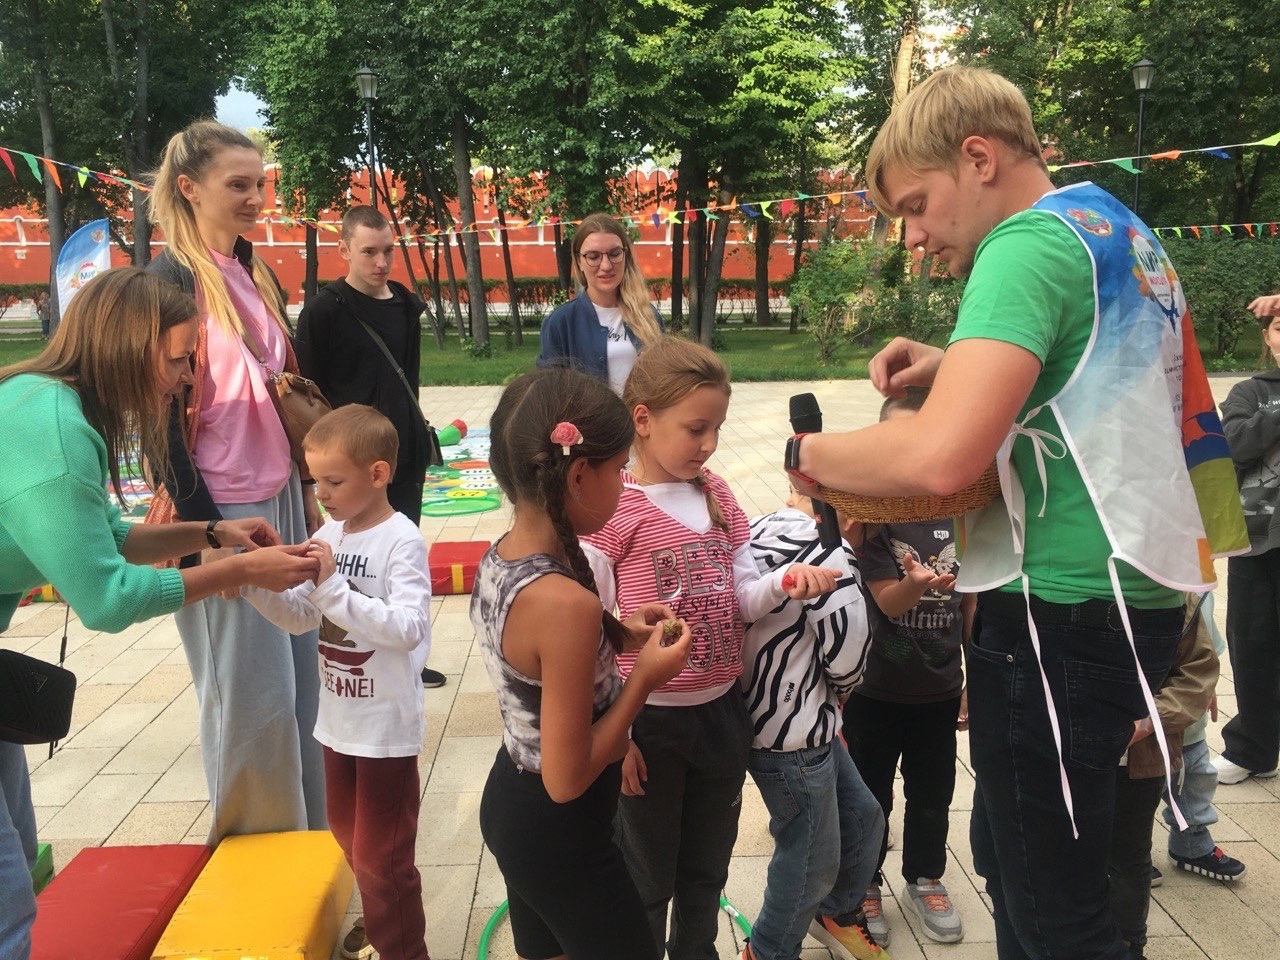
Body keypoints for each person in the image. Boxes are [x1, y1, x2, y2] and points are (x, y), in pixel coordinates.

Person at [787, 66, 1247, 960]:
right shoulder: (1111, 224)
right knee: (1064, 871)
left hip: (1057, 618)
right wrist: (955, 360)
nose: (915, 238)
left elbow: (939, 455)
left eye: (917, 205)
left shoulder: (1023, 247)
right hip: (1133, 598)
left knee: (1052, 914)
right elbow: (1074, 380)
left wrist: (810, 457)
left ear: (978, 157)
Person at [0, 267, 319, 960]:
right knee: (7, 906)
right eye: (178, 359)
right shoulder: (54, 428)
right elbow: (106, 599)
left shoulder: (50, 405)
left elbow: (106, 535)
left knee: (19, 857)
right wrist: (237, 569)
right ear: (127, 345)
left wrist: (210, 535)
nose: (185, 380)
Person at [583, 338, 841, 960]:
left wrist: (782, 585)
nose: (709, 445)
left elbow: (740, 596)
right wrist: (612, 733)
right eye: (695, 428)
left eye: (717, 429)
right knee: (648, 874)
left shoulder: (718, 495)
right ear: (642, 420)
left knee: (706, 868)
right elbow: (586, 629)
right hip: (648, 722)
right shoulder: (616, 507)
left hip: (723, 714)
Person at [144, 119, 327, 843]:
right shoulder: (165, 283)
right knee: (252, 703)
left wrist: (309, 492)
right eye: (239, 185)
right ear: (189, 189)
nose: (257, 197)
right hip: (219, 507)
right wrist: (208, 532)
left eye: (261, 183)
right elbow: (157, 415)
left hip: (280, 495)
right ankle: (256, 868)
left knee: (302, 697)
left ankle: (311, 867)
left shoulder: (253, 270)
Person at [472, 367, 692, 960]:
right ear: (576, 476)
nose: (625, 486)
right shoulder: (565, 602)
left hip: (516, 807)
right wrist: (643, 678)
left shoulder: (504, 557)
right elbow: (566, 781)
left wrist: (620, 633)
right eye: (620, 471)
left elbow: (536, 661)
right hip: (559, 834)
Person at [243, 405, 432, 960]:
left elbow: (409, 627)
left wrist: (332, 590)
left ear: (378, 474)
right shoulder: (330, 533)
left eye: (333, 481)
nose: (320, 493)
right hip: (338, 724)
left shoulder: (402, 540)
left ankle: (404, 949)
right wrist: (252, 582)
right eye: (315, 479)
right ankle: (381, 923)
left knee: (383, 857)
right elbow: (303, 616)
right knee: (349, 841)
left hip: (385, 730)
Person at [295, 204, 447, 690]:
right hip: (349, 462)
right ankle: (353, 649)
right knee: (355, 557)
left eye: (387, 251)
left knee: (400, 554)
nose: (380, 262)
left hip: (399, 454)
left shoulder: (404, 303)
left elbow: (410, 380)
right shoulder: (324, 311)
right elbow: (307, 394)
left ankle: (409, 658)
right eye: (368, 252)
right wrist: (313, 473)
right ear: (344, 250)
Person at [843, 388, 973, 948]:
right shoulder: (874, 521)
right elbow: (888, 602)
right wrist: (915, 584)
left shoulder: (963, 513)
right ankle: (864, 881)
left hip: (940, 688)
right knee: (871, 793)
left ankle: (925, 876)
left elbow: (971, 605)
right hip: (877, 685)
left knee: (933, 790)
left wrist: (969, 680)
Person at [739, 486, 887, 960]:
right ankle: (767, 951)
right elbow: (846, 658)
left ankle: (836, 914)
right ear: (852, 520)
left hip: (774, 719)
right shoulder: (832, 552)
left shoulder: (757, 527)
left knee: (864, 818)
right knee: (809, 863)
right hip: (794, 735)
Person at [1108, 594, 1227, 960]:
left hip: (1140, 757)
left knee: (1128, 855)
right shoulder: (1057, 580)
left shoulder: (1175, 589)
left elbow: (1198, 669)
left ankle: (1130, 944)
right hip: (1062, 754)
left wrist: (1149, 723)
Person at [1214, 300, 1280, 785]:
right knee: (1253, 648)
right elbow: (1233, 445)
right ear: (1267, 338)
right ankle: (1252, 749)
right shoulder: (1249, 392)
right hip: (1257, 544)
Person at [1156, 591, 1245, 881]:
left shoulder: (1196, 581)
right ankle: (1124, 857)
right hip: (1141, 705)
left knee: (1195, 775)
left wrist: (1207, 685)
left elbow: (1204, 648)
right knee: (1129, 788)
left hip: (1186, 712)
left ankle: (1191, 843)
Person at [535, 213, 663, 395]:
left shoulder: (648, 316)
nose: (606, 265)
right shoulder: (561, 322)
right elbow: (549, 392)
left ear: (625, 255)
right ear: (579, 261)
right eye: (594, 256)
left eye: (614, 254)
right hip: (587, 423)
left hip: (639, 422)